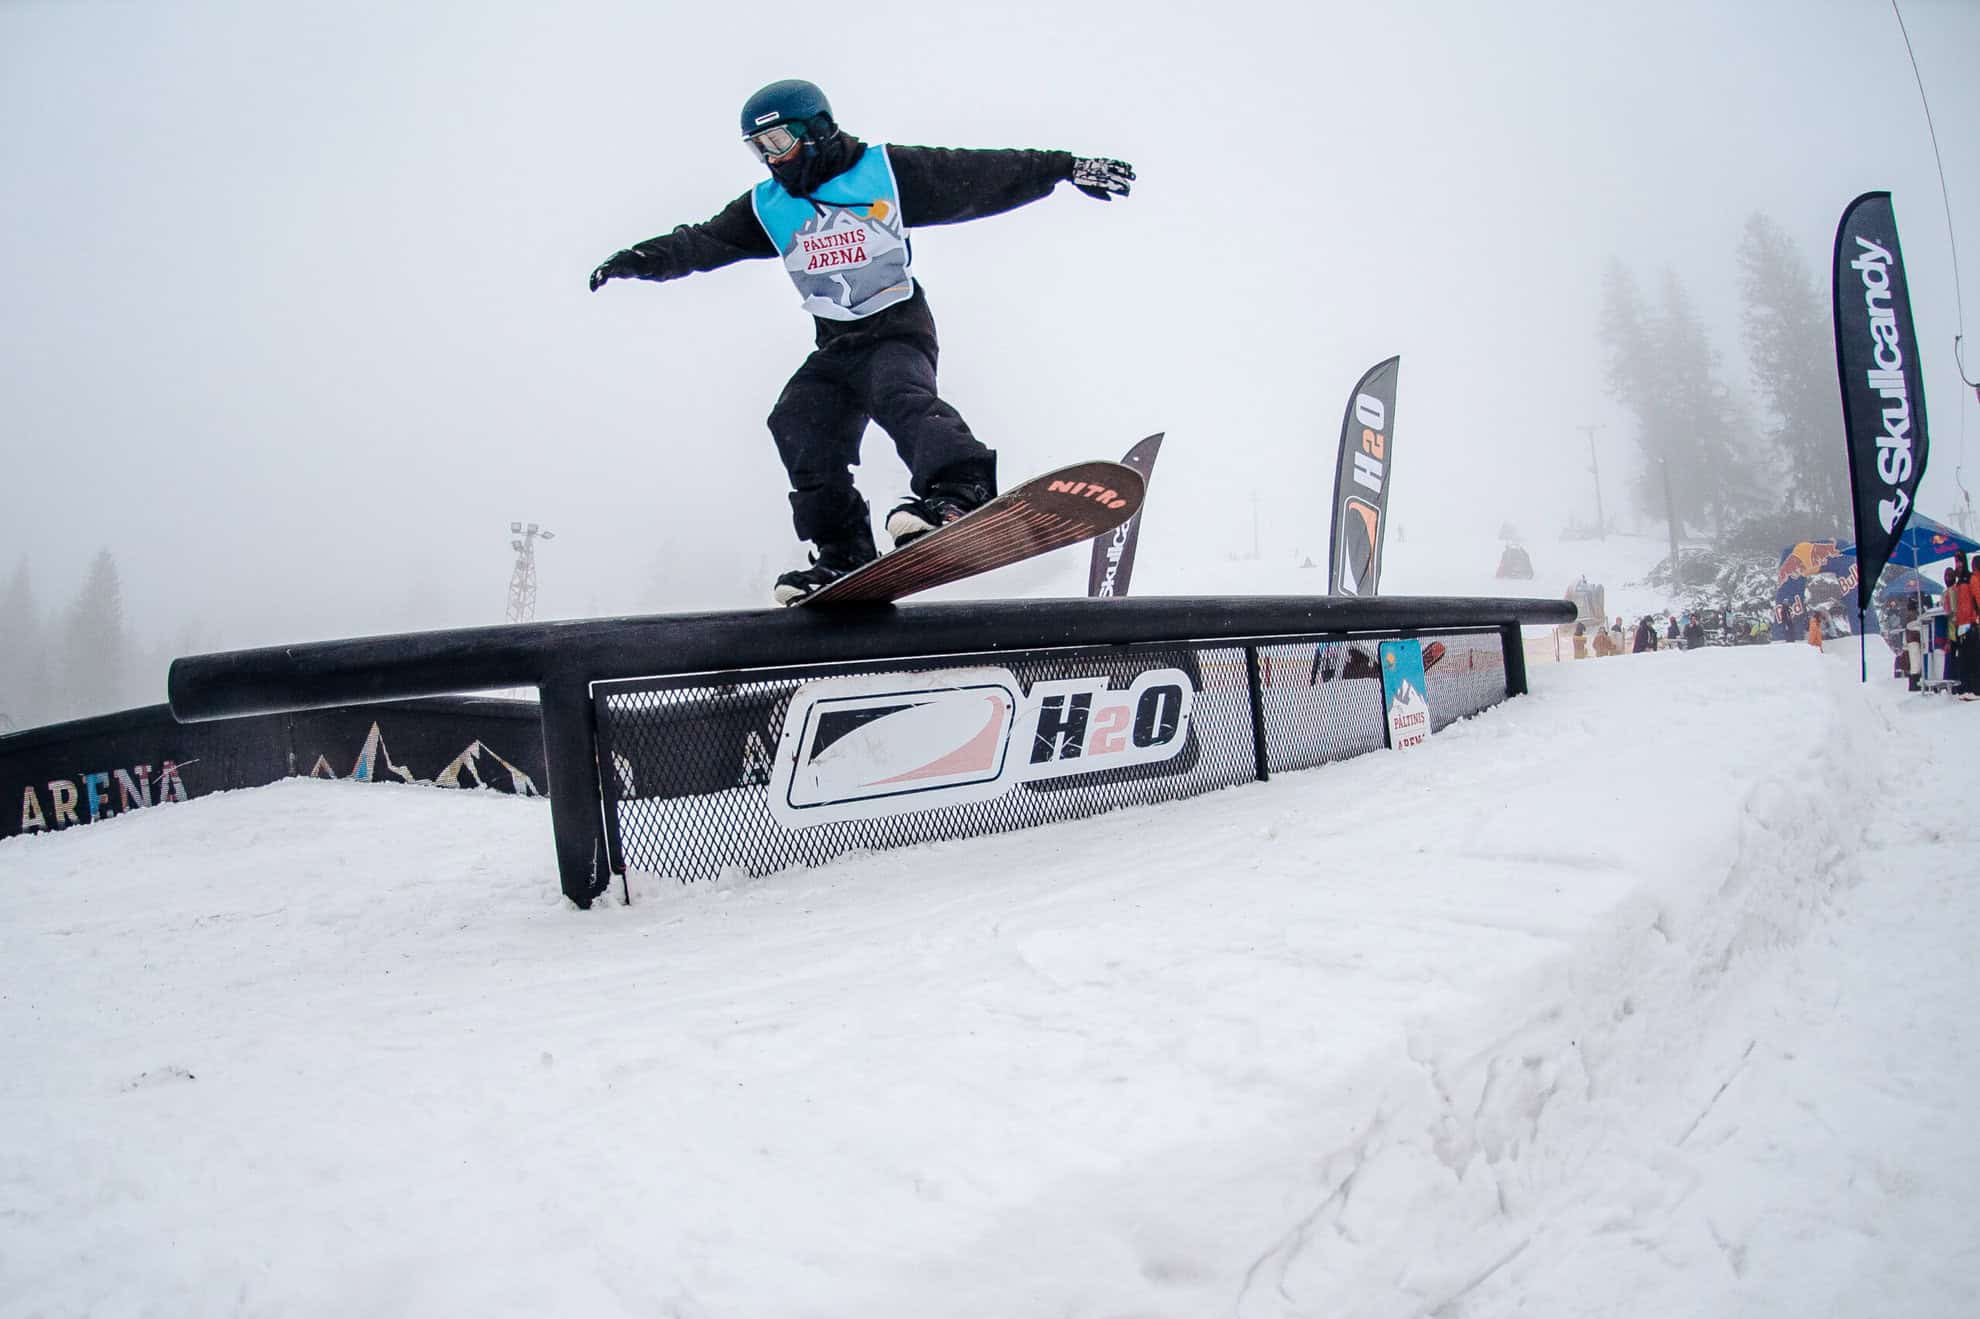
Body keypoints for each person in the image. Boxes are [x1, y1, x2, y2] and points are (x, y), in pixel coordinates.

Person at [588, 79, 1136, 604]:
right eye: (759, 149)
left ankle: (961, 488)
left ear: (818, 129)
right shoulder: (767, 206)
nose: (773, 159)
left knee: (898, 392)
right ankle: (843, 550)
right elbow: (702, 241)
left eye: (779, 141)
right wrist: (643, 259)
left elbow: (978, 173)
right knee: (797, 422)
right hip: (836, 345)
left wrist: (1063, 168)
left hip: (897, 325)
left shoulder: (885, 173)